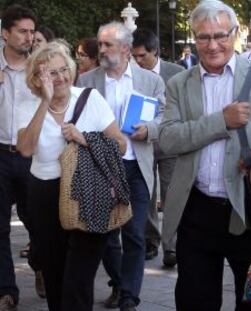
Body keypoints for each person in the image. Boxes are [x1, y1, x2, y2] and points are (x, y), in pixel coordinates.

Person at [158, 1, 251, 310]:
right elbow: (167, 139)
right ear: (194, 38)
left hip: (249, 210)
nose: (213, 44)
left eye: (220, 35)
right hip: (197, 210)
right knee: (194, 300)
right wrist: (221, 121)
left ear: (234, 34)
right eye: (203, 37)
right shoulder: (179, 83)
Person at [17, 41, 127, 311]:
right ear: (36, 78)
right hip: (45, 198)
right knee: (54, 277)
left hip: (89, 192)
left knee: (77, 282)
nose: (61, 78)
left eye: (64, 69)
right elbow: (25, 149)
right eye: (51, 73)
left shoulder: (90, 99)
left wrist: (85, 138)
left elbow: (121, 145)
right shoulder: (28, 104)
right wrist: (45, 100)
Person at [77, 22, 165, 311]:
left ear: (125, 48)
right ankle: (118, 282)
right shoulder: (88, 81)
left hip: (136, 166)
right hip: (100, 167)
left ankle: (129, 296)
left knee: (134, 234)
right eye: (100, 45)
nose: (100, 50)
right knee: (104, 233)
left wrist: (149, 129)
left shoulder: (150, 81)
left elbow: (165, 116)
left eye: (107, 45)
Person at [131, 28, 183, 267]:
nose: (138, 61)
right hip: (143, 143)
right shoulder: (131, 75)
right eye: (135, 56)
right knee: (147, 195)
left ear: (155, 52)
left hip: (171, 143)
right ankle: (150, 240)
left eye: (143, 56)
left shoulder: (177, 72)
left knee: (171, 194)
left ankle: (171, 246)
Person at [0, 5, 39, 310]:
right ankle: (7, 291)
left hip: (33, 156)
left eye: (31, 31)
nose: (28, 37)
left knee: (38, 222)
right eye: (22, 31)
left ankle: (41, 266)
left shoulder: (39, 68)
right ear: (5, 34)